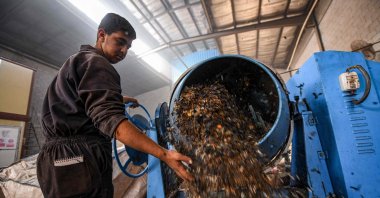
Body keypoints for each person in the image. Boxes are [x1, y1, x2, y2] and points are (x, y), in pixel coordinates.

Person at [37, 13, 193, 197]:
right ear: (101, 35)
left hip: (56, 159)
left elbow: (77, 104)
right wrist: (164, 154)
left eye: (128, 46)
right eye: (120, 42)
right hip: (79, 161)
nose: (124, 51)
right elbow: (115, 124)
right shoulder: (97, 64)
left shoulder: (78, 61)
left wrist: (119, 99)